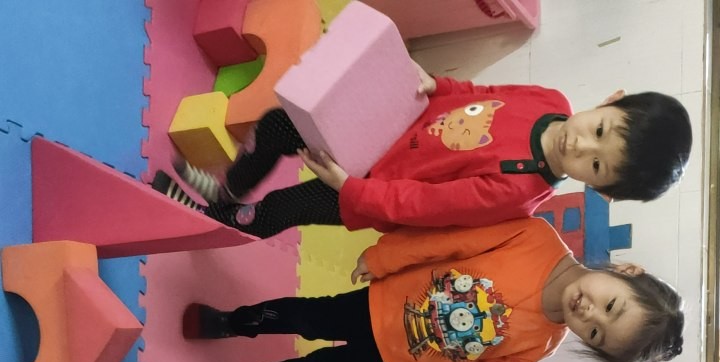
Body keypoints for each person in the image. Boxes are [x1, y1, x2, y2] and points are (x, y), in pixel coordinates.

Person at [184, 216, 683, 362]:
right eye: (611, 306)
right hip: (382, 305)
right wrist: (384, 257)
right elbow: (450, 242)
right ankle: (234, 321)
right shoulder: (535, 236)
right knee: (305, 315)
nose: (589, 315)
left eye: (595, 335)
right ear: (624, 272)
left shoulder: (543, 342)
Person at [152, 65, 692, 239]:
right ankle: (230, 188)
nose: (581, 144)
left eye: (595, 164)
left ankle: (212, 220)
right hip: (379, 131)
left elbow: (425, 207)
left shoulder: (519, 191)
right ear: (609, 102)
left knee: (282, 209)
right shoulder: (550, 100)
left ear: (597, 187)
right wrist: (440, 85)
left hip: (368, 192)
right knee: (277, 125)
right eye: (600, 129)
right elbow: (482, 94)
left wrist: (351, 188)